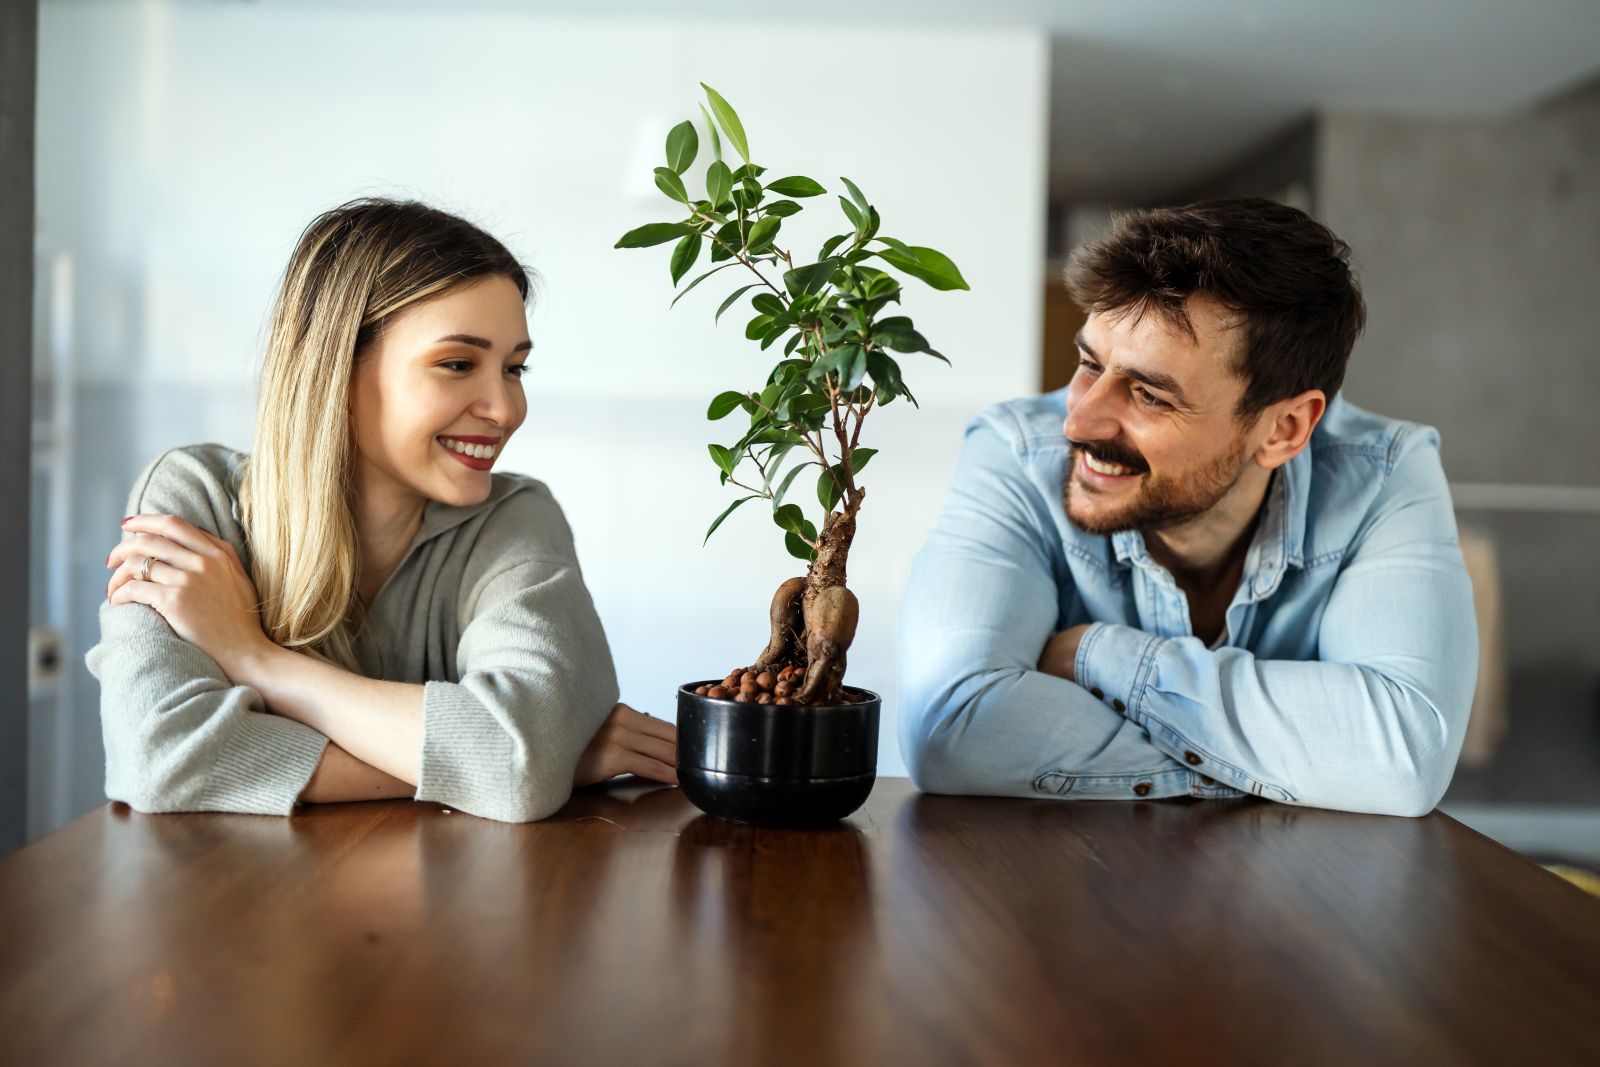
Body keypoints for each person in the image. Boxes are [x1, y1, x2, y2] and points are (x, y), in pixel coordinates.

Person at [86, 198, 677, 823]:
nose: (505, 409)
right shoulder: (195, 501)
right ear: (338, 367)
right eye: (457, 364)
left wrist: (254, 658)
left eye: (514, 368)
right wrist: (523, 764)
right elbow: (159, 759)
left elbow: (516, 761)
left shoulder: (514, 519)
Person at [898, 198, 1477, 817]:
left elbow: (1404, 756)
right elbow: (954, 727)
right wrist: (1293, 765)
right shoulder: (1016, 451)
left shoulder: (1384, 474)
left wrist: (1100, 656)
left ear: (1283, 428)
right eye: (1089, 364)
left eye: (1149, 395)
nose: (1078, 421)